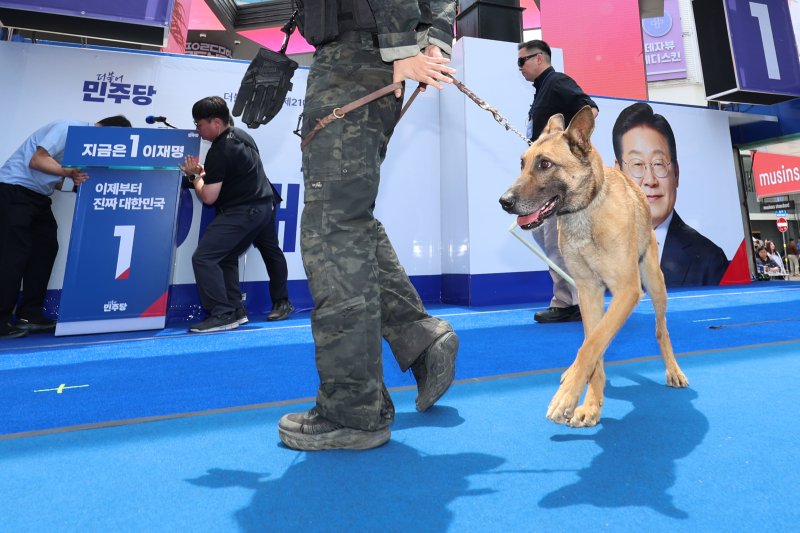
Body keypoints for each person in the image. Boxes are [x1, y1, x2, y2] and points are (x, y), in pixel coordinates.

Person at [278, 0, 460, 451]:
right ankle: (418, 337)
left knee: (333, 233)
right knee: (348, 223)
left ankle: (353, 412)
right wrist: (426, 41)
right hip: (368, 61)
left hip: (354, 61)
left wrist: (401, 47)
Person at [0, 115, 132, 340]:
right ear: (104, 129)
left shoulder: (85, 145)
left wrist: (82, 184)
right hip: (14, 191)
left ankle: (30, 314)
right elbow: (38, 160)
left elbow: (57, 180)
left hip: (39, 197)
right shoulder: (69, 128)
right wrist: (68, 172)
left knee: (45, 251)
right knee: (12, 257)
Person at [180, 96, 288, 332]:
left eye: (199, 124)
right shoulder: (241, 135)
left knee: (204, 258)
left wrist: (193, 177)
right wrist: (204, 174)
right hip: (262, 208)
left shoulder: (220, 149)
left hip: (244, 211)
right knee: (225, 257)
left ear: (215, 122)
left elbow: (208, 197)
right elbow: (233, 173)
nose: (197, 130)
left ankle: (223, 313)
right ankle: (235, 311)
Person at [518, 39, 598, 323]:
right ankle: (568, 299)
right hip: (540, 178)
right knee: (543, 236)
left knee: (555, 241)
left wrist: (568, 147)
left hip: (555, 180)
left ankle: (574, 302)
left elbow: (590, 109)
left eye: (522, 61)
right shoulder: (542, 90)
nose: (520, 68)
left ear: (539, 58)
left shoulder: (557, 82)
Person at [612, 102, 729, 287]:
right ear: (618, 174)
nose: (650, 180)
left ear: (676, 173)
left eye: (659, 163)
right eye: (637, 164)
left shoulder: (710, 259)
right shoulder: (598, 253)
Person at [226, 116, 293, 322]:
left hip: (259, 203)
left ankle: (282, 302)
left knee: (269, 249)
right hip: (245, 205)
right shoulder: (228, 141)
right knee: (228, 253)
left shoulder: (236, 139)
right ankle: (234, 307)